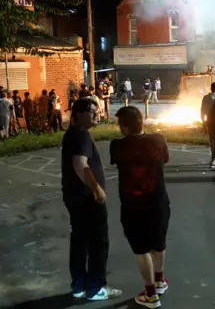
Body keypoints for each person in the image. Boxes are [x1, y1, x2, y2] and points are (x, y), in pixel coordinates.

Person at [111, 106, 170, 308]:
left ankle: (151, 294)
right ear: (142, 122)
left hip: (133, 206)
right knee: (159, 242)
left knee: (142, 248)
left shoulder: (117, 146)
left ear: (124, 127)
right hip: (159, 202)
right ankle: (160, 280)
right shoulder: (158, 140)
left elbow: (118, 161)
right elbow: (165, 160)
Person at [61, 99, 121, 301]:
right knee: (98, 242)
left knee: (79, 241)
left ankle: (79, 285)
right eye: (93, 111)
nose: (98, 114)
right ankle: (96, 288)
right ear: (79, 114)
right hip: (87, 199)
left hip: (74, 197)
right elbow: (80, 164)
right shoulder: (82, 135)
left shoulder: (72, 134)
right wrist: (96, 188)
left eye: (98, 110)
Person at [201, 83, 215, 167]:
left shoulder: (206, 98)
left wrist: (203, 121)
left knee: (212, 141)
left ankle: (213, 159)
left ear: (211, 88)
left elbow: (202, 110)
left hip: (209, 121)